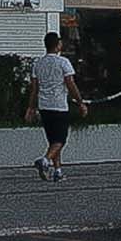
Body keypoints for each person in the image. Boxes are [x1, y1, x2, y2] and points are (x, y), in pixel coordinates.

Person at [27, 30, 83, 181]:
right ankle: (45, 161)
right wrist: (80, 102)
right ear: (57, 45)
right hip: (59, 105)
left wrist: (31, 108)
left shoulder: (38, 64)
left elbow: (34, 89)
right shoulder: (63, 62)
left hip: (44, 106)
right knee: (60, 140)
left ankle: (58, 171)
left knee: (53, 140)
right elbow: (70, 84)